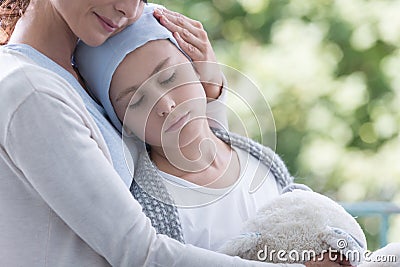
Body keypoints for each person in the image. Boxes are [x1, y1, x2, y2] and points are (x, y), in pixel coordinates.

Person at [0, 0, 307, 266]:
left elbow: (187, 173)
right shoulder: (30, 90)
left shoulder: (82, 71)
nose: (130, 10)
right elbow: (139, 253)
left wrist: (208, 91)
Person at [74, 4, 351, 267]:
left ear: (197, 67)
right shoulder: (150, 213)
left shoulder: (262, 163)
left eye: (169, 77)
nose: (165, 105)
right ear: (124, 124)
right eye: (135, 101)